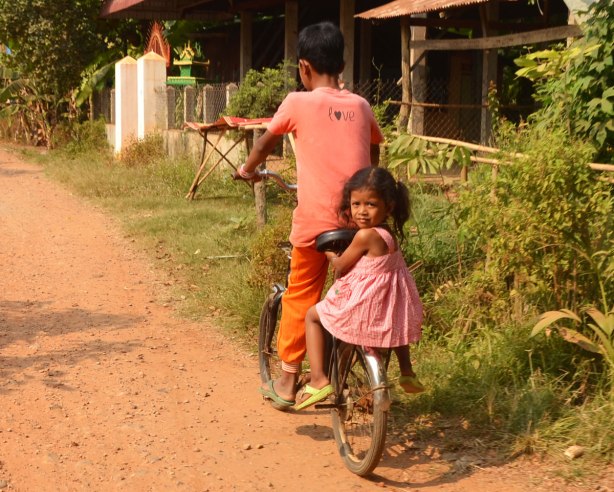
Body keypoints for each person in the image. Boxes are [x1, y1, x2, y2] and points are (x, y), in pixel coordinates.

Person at [236, 21, 384, 409]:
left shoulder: (297, 102)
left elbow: (266, 141)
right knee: (355, 291)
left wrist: (247, 170)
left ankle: (287, 383)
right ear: (342, 63)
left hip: (315, 224)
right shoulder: (361, 105)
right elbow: (374, 156)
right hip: (359, 225)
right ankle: (361, 368)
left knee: (301, 295)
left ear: (304, 67)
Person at [295, 167, 424, 411]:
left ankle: (319, 379)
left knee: (312, 316)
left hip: (363, 304)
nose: (361, 211)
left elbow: (342, 266)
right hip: (389, 303)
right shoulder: (388, 234)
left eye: (370, 205)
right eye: (356, 204)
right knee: (396, 328)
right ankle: (406, 371)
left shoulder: (365, 235)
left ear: (389, 206)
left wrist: (332, 255)